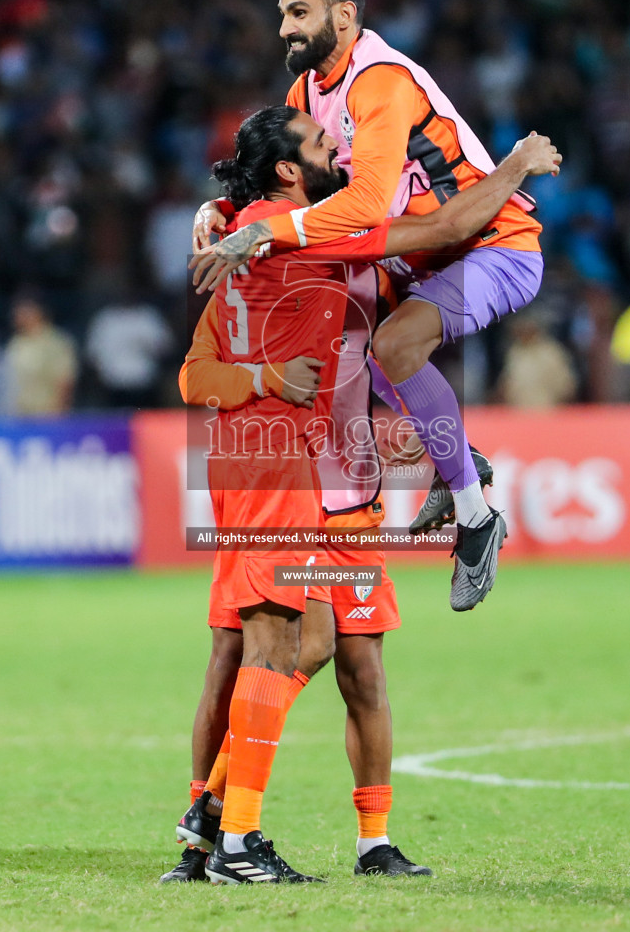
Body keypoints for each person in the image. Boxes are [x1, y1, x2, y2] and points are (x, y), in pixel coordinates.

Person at [167, 106, 559, 884]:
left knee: (339, 653)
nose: (338, 151)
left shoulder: (247, 233)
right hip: (285, 474)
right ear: (288, 171)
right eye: (321, 143)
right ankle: (221, 835)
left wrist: (217, 213)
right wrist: (513, 170)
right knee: (266, 646)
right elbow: (434, 228)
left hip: (334, 481)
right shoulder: (314, 233)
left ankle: (308, 832)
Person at [192, 0, 549, 612]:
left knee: (389, 346)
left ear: (345, 16)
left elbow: (361, 206)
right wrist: (223, 209)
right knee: (348, 342)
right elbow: (276, 174)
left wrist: (263, 233)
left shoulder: (380, 83)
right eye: (282, 16)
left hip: (492, 244)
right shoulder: (305, 96)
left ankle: (475, 518)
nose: (284, 30)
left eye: (298, 13)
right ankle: (455, 462)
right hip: (410, 256)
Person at [2, 293, 77, 417]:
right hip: (19, 415)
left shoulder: (56, 342)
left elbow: (65, 381)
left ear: (37, 312)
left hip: (47, 415)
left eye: (23, 311)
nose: (16, 315)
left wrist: (59, 412)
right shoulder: (16, 342)